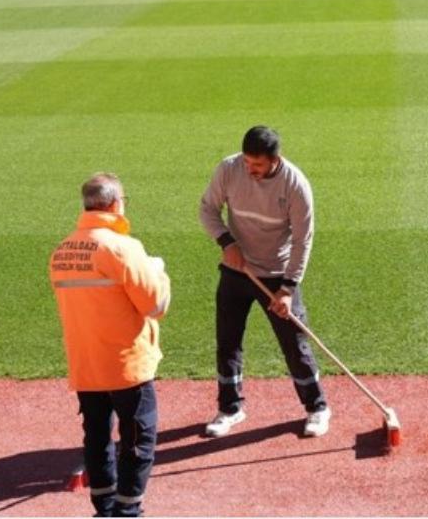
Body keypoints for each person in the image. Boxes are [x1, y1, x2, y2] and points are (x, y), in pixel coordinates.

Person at [50, 172, 170, 517]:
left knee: (97, 437)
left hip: (86, 363)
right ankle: (128, 510)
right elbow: (156, 305)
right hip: (126, 364)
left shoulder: (61, 250)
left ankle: (104, 508)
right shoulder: (123, 248)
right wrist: (157, 271)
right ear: (116, 203)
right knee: (138, 442)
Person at [199, 125, 330, 438]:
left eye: (257, 165)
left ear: (275, 159)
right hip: (237, 270)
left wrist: (287, 289)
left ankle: (318, 407)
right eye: (247, 162)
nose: (250, 169)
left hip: (276, 275)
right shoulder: (229, 169)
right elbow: (207, 209)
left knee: (295, 345)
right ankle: (230, 409)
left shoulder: (296, 185)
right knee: (228, 341)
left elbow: (302, 241)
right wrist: (226, 242)